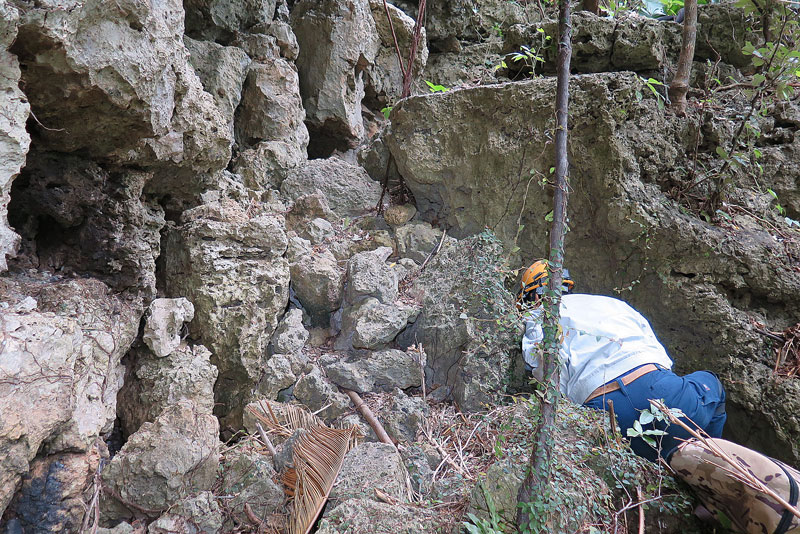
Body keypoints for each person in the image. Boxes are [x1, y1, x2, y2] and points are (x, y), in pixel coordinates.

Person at [518, 260, 727, 462]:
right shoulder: (610, 303)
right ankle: (712, 459)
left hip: (608, 415)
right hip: (664, 394)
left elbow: (549, 380)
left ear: (535, 296)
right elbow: (661, 358)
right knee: (712, 385)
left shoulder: (540, 318)